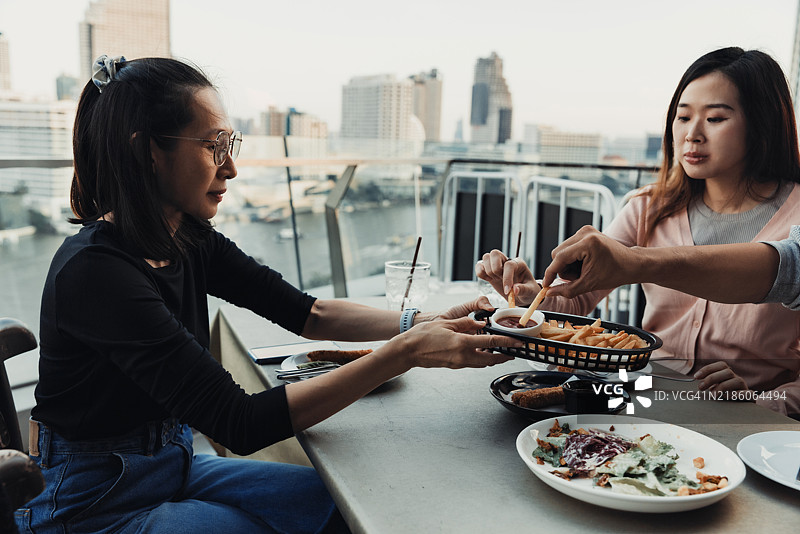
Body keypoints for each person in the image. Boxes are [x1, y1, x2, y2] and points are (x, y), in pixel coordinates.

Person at [18, 55, 521, 534]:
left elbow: (308, 313)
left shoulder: (186, 238)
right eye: (214, 146)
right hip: (93, 504)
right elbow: (239, 423)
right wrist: (405, 353)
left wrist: (423, 322)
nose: (230, 168)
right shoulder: (96, 274)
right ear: (148, 151)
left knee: (345, 509)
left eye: (229, 145)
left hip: (172, 463)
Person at [476, 47, 800, 417]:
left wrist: (754, 403)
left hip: (748, 431)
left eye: (714, 119)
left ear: (762, 125)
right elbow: (576, 302)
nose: (691, 135)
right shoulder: (648, 206)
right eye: (682, 117)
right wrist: (530, 294)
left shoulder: (797, 222)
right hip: (646, 403)